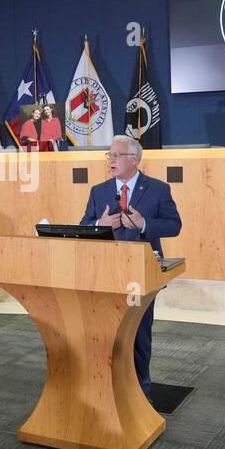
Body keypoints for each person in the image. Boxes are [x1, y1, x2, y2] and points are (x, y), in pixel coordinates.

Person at [79, 134, 182, 398]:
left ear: (133, 160)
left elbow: (174, 225)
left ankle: (140, 394)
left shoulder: (158, 189)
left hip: (142, 272)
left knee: (139, 335)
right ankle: (107, 389)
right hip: (106, 272)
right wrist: (98, 227)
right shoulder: (98, 191)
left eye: (116, 155)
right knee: (106, 335)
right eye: (109, 155)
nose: (110, 160)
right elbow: (82, 228)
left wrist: (144, 224)